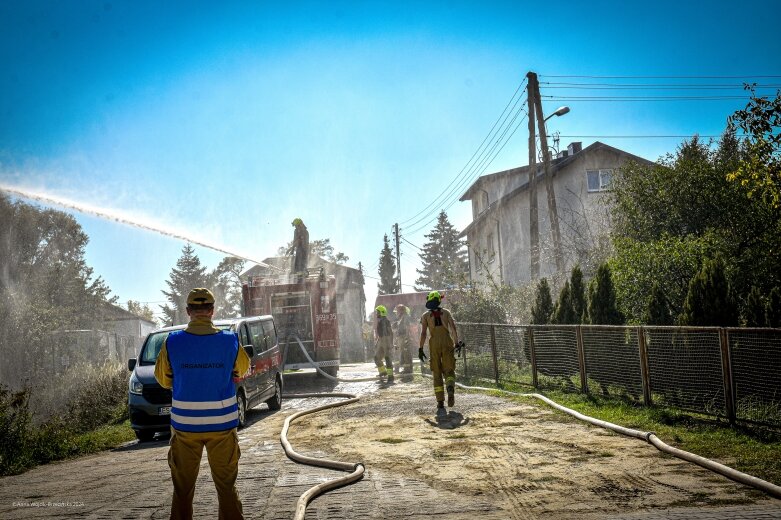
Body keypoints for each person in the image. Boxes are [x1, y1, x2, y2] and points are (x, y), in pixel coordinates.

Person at [155, 288, 251, 520]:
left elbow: (163, 379)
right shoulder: (229, 340)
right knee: (226, 488)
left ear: (188, 311)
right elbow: (242, 369)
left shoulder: (172, 342)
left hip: (185, 429)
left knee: (183, 490)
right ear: (212, 311)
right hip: (222, 427)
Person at [419, 291, 461, 410]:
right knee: (449, 370)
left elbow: (423, 334)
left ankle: (440, 402)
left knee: (436, 373)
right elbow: (453, 328)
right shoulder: (446, 312)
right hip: (447, 341)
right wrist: (456, 342)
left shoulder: (425, 315)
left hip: (434, 344)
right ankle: (450, 388)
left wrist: (420, 348)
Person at [373, 305, 394, 381]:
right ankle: (383, 372)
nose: (376, 314)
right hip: (381, 340)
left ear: (382, 312)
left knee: (387, 358)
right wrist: (378, 342)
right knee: (376, 358)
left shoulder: (386, 321)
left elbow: (391, 332)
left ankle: (390, 376)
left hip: (386, 340)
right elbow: (380, 334)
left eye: (377, 312)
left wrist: (391, 343)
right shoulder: (380, 321)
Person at [394, 304, 415, 374]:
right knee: (404, 353)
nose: (396, 313)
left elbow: (407, 328)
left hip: (405, 337)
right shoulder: (401, 318)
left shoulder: (405, 317)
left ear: (401, 311)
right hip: (401, 338)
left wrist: (406, 338)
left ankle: (408, 370)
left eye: (397, 311)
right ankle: (406, 369)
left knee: (406, 353)